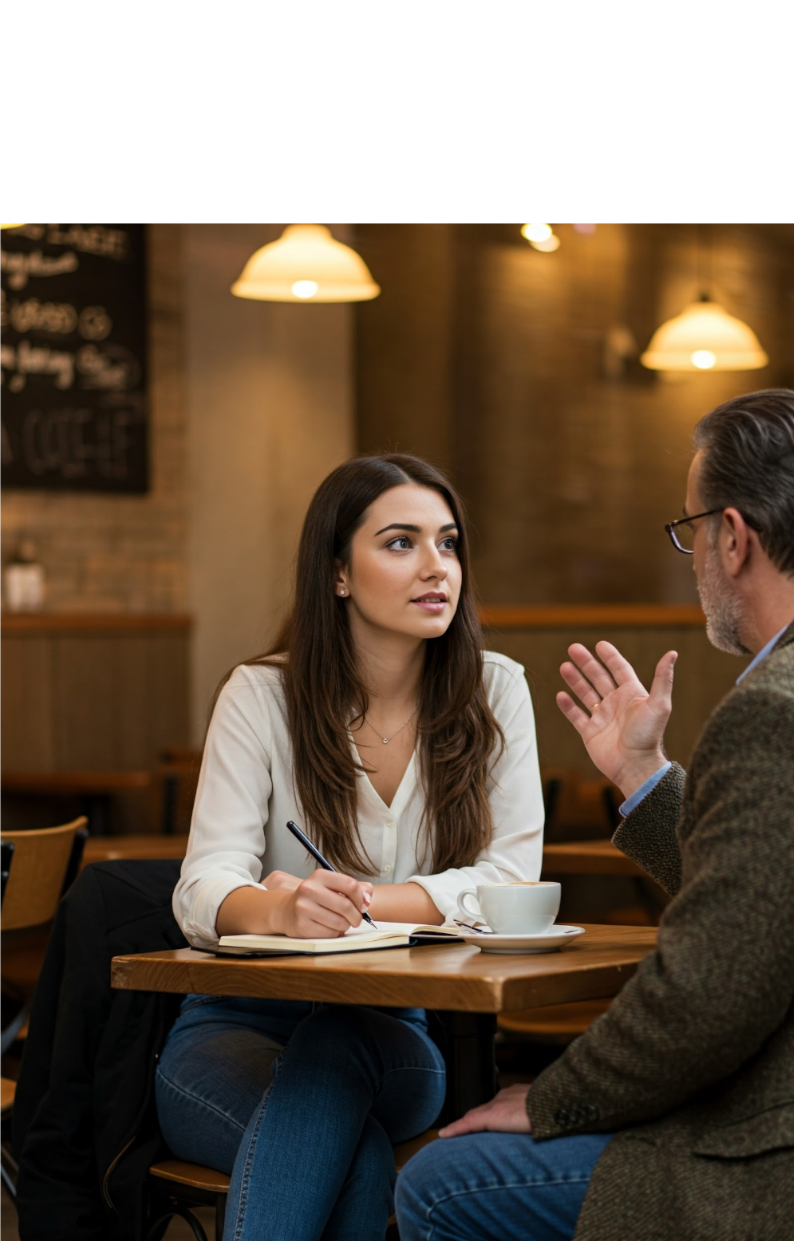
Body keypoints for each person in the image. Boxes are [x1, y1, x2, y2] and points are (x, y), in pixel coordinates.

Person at [394, 390, 794, 1241]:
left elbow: (705, 1000)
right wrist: (643, 776)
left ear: (734, 536)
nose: (694, 558)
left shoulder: (784, 707)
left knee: (439, 1180)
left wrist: (553, 1096)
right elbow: (781, 901)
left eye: (690, 531)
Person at [157, 454, 544, 1240]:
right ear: (337, 572)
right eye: (401, 542)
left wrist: (362, 902)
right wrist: (279, 908)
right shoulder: (260, 696)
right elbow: (201, 888)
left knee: (338, 1049)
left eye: (449, 542)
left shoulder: (495, 689)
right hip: (233, 1025)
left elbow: (511, 878)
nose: (436, 566)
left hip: (392, 1032)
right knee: (357, 1156)